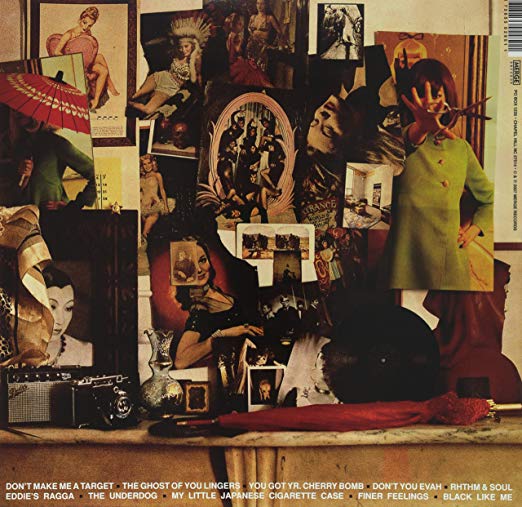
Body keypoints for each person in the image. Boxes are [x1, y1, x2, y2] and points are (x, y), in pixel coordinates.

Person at [387, 59, 494, 290]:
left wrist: (473, 230)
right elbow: (406, 146)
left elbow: (489, 199)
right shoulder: (396, 141)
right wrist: (422, 126)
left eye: (436, 94)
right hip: (404, 270)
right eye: (421, 94)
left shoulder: (461, 149)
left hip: (450, 270)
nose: (429, 102)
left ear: (448, 98)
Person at [174, 240, 263, 369]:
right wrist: (223, 334)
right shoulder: (199, 309)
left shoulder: (217, 291)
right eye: (191, 265)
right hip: (229, 370)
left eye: (202, 260)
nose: (199, 269)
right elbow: (180, 361)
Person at [129, 14, 210, 116]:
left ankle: (127, 105)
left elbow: (197, 77)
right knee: (135, 94)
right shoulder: (176, 52)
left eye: (186, 46)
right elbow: (161, 42)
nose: (183, 50)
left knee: (148, 110)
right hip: (160, 77)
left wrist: (201, 94)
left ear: (193, 45)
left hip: (170, 89)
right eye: (180, 47)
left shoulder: (196, 59)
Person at [12, 112, 95, 210]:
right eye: (17, 114)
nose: (20, 116)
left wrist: (75, 205)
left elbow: (95, 173)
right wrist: (24, 178)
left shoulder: (56, 143)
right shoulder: (19, 147)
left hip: (51, 214)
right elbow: (12, 194)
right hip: (23, 214)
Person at [50, 6, 119, 111]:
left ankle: (106, 88)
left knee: (100, 57)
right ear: (80, 20)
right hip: (74, 65)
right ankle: (100, 96)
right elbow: (56, 52)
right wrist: (71, 61)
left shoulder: (87, 34)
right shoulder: (69, 34)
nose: (86, 27)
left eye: (90, 25)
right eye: (84, 22)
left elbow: (89, 53)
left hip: (85, 63)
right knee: (103, 71)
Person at [43, 264, 93, 367]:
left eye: (68, 308)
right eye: (52, 307)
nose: (60, 320)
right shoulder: (10, 352)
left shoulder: (85, 353)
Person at [224, 12, 272, 87]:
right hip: (236, 63)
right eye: (239, 24)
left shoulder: (230, 36)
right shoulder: (236, 37)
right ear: (233, 25)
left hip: (232, 63)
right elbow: (238, 50)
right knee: (255, 74)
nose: (242, 26)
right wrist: (240, 44)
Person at [140, 154, 167, 238]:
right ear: (142, 166)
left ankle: (143, 242)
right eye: (144, 164)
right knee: (145, 231)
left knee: (145, 232)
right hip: (143, 206)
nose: (147, 166)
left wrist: (166, 206)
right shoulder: (141, 177)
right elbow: (140, 192)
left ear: (153, 163)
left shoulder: (157, 175)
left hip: (154, 204)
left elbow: (162, 190)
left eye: (149, 163)